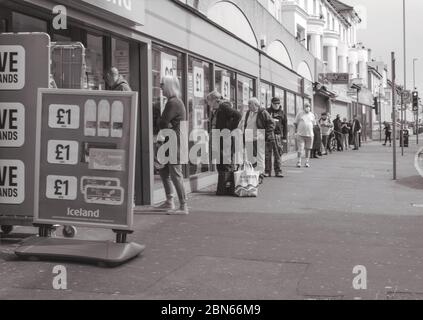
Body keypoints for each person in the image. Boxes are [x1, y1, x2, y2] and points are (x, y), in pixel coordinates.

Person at [156, 75, 188, 214]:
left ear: (168, 86)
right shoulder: (173, 101)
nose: (160, 87)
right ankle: (169, 201)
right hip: (170, 140)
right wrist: (165, 123)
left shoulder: (173, 102)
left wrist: (163, 121)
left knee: (175, 173)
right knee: (164, 171)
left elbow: (162, 122)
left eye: (162, 84)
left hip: (175, 142)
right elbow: (165, 123)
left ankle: (183, 206)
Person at [207, 90, 242, 195]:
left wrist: (229, 129)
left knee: (225, 162)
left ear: (214, 100)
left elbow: (238, 115)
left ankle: (226, 188)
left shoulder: (224, 107)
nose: (208, 103)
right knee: (221, 162)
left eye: (208, 101)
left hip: (225, 139)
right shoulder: (217, 109)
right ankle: (223, 188)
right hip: (219, 138)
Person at [238, 97, 275, 183]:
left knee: (260, 157)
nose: (248, 106)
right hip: (248, 137)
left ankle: (260, 174)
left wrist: (265, 135)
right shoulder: (247, 113)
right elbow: (244, 123)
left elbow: (272, 123)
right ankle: (253, 173)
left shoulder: (262, 112)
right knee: (250, 157)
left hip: (259, 136)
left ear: (255, 105)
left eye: (249, 104)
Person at [265, 97, 287, 178]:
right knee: (267, 154)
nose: (277, 105)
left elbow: (285, 125)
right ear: (272, 103)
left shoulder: (282, 113)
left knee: (278, 154)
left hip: (278, 135)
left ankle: (278, 171)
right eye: (275, 104)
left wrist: (284, 137)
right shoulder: (267, 111)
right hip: (269, 134)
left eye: (278, 103)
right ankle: (267, 171)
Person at [294, 103, 316, 168]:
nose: (307, 107)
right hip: (300, 134)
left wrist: (309, 129)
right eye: (306, 106)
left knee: (308, 149)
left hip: (310, 135)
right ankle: (299, 161)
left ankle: (307, 162)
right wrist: (296, 131)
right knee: (300, 149)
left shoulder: (312, 115)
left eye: (309, 106)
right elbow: (295, 123)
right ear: (304, 107)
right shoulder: (300, 114)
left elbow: (314, 124)